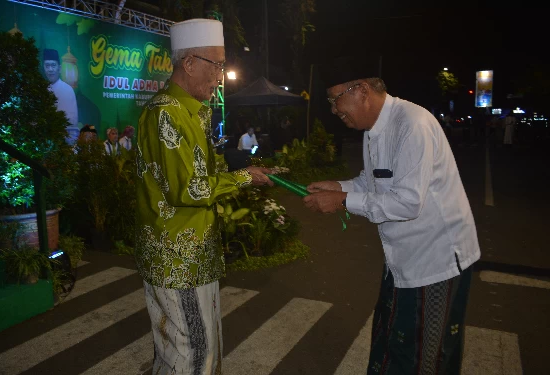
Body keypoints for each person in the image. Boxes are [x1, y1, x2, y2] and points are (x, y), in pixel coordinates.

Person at [303, 57, 481, 375]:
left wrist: (343, 201)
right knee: (393, 343)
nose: (333, 109)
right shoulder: (373, 130)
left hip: (434, 260)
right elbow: (372, 183)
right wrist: (338, 186)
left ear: (362, 90)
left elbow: (407, 202)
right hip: (402, 259)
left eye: (335, 99)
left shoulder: (412, 124)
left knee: (424, 355)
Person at [135, 18, 273, 375]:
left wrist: (245, 174)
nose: (220, 76)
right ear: (190, 63)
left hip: (195, 255)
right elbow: (190, 190)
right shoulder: (167, 113)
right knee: (192, 356)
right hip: (179, 259)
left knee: (198, 353)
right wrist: (243, 177)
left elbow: (200, 178)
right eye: (217, 65)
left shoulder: (190, 113)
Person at [43, 48, 79, 144]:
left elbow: (72, 121)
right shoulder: (41, 90)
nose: (50, 69)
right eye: (47, 66)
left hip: (64, 140)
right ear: (43, 67)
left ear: (59, 68)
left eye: (53, 65)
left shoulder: (68, 90)